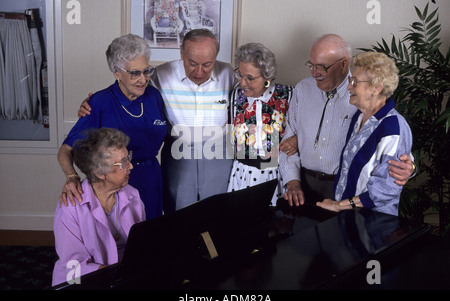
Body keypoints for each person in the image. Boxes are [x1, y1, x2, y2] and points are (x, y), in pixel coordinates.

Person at [79, 29, 237, 214]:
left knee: (218, 215)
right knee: (179, 219)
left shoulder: (229, 74)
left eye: (207, 64)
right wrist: (93, 102)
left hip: (218, 156)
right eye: (192, 63)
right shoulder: (160, 75)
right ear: (181, 53)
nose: (199, 71)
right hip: (179, 155)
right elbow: (130, 85)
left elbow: (252, 99)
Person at [278, 34, 415, 207]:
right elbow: (287, 143)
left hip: (347, 194)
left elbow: (394, 149)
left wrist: (409, 168)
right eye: (311, 65)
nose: (314, 73)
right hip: (304, 187)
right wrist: (292, 180)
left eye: (321, 67)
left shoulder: (363, 100)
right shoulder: (303, 90)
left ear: (343, 64)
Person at [58, 34, 167, 220]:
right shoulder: (100, 102)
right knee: (123, 240)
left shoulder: (153, 96)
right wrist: (71, 177)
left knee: (151, 235)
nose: (143, 79)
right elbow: (65, 150)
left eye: (147, 71)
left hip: (151, 177)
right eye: (135, 73)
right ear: (117, 72)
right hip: (117, 182)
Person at [316, 52, 412, 216]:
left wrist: (341, 205)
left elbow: (387, 189)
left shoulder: (393, 126)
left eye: (354, 82)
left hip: (373, 222)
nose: (348, 87)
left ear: (377, 87)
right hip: (348, 217)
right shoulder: (358, 117)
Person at [52, 128, 145, 286]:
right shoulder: (70, 207)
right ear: (100, 172)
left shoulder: (132, 195)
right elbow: (73, 266)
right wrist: (117, 276)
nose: (131, 166)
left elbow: (141, 246)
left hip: (125, 276)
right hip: (85, 282)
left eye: (128, 157)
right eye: (123, 163)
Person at [228, 42, 294, 206]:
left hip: (275, 175)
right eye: (240, 75)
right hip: (241, 174)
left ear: (267, 77)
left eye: (250, 78)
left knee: (276, 226)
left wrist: (298, 139)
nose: (243, 83)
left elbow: (304, 128)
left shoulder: (288, 95)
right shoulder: (234, 97)